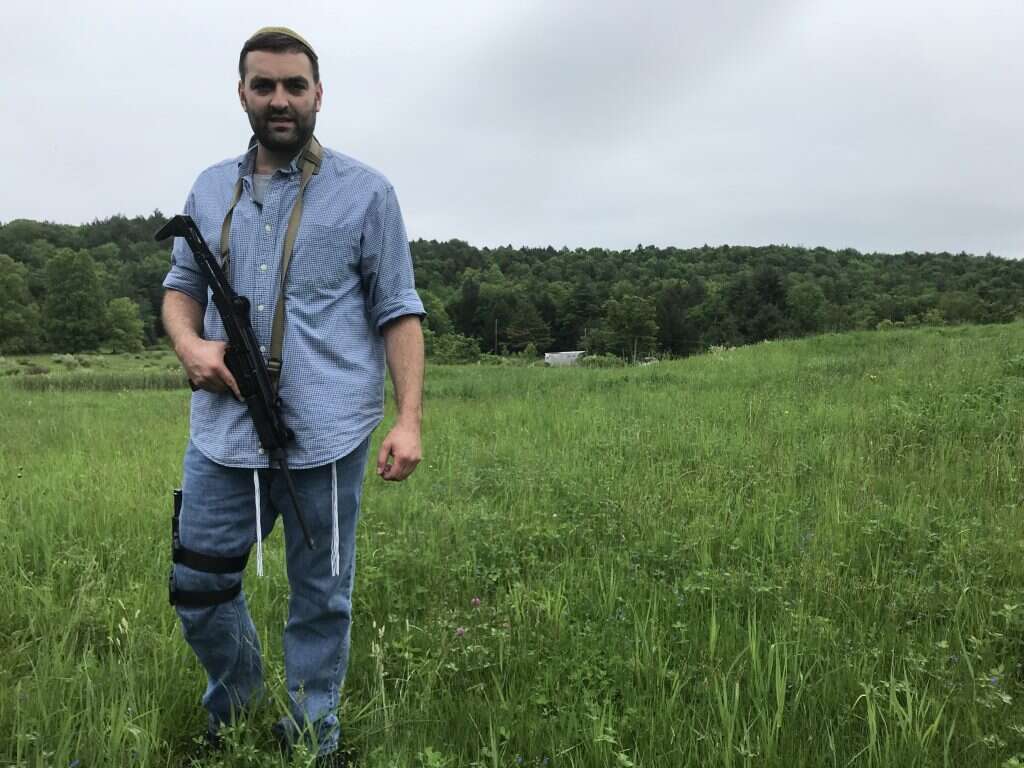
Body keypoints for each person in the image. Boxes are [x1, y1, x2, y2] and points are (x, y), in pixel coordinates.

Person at [160, 26, 425, 764]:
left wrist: (407, 419)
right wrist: (191, 345)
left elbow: (398, 308)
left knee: (322, 602)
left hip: (328, 436)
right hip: (220, 436)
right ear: (242, 92)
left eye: (294, 86)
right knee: (198, 589)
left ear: (317, 94)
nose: (280, 99)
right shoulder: (210, 188)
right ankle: (237, 710)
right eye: (264, 85)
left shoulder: (368, 192)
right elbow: (180, 290)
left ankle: (313, 738)